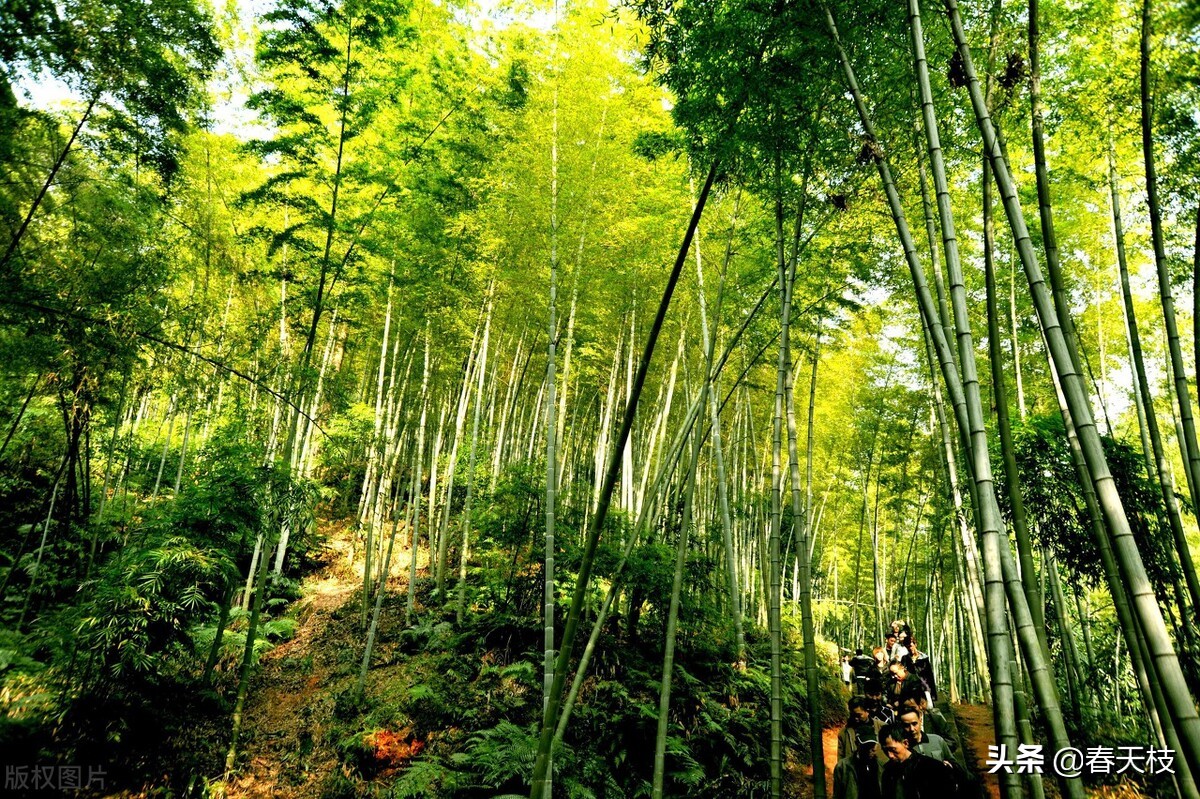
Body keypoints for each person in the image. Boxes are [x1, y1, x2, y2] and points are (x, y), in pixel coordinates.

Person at [879, 724, 970, 799]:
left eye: (893, 749)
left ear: (905, 743)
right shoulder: (888, 773)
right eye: (885, 750)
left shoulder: (931, 767)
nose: (890, 755)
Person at [898, 707, 963, 769]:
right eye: (907, 725)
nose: (912, 729)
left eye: (914, 724)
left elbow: (954, 763)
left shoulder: (937, 740)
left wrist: (949, 765)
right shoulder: (902, 748)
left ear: (920, 721)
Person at [834, 727, 882, 799]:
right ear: (857, 744)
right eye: (866, 746)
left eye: (872, 745)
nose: (870, 750)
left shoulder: (882, 765)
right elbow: (838, 794)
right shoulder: (843, 766)